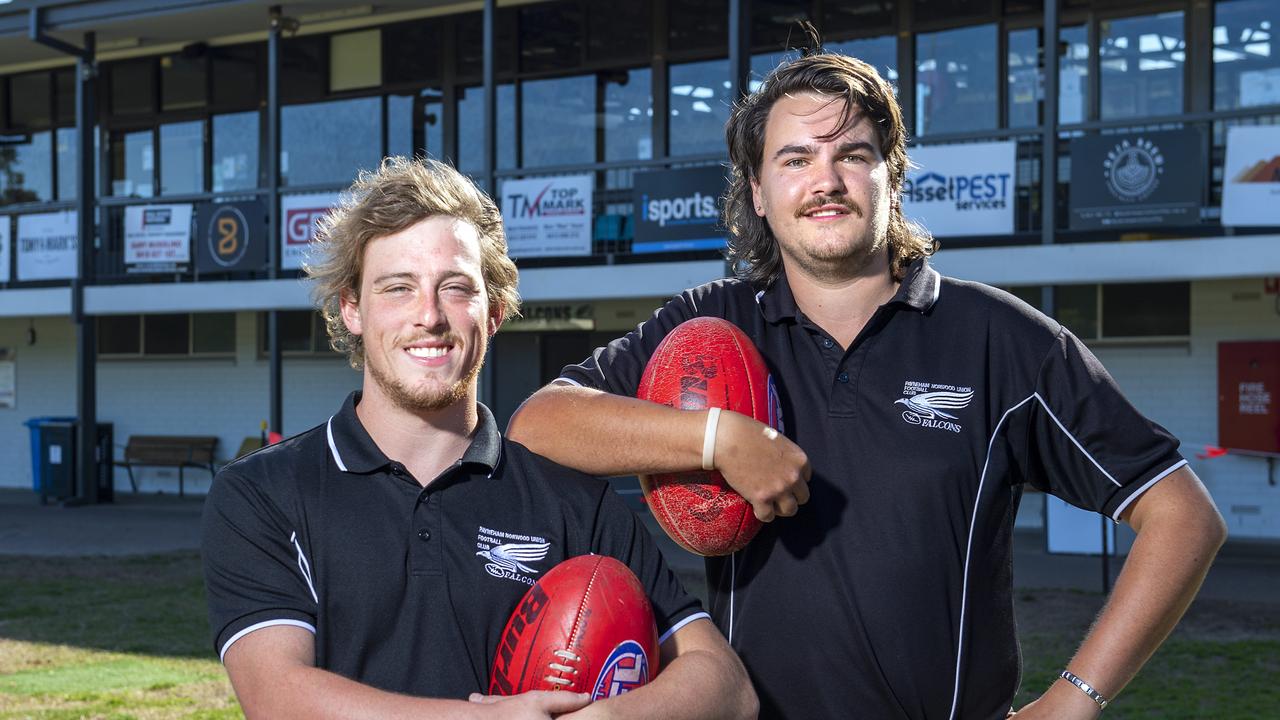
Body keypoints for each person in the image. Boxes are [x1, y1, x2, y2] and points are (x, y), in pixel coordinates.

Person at [507, 48, 1227, 719]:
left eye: (852, 154)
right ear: (758, 192)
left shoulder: (996, 338)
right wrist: (715, 435)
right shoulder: (710, 324)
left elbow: (1183, 515)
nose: (825, 181)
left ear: (892, 175)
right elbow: (540, 422)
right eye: (795, 159)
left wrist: (1075, 698)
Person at [200, 157, 757, 720]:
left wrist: (611, 717)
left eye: (455, 288)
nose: (429, 316)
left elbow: (728, 686)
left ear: (492, 312)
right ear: (352, 310)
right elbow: (277, 698)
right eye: (398, 288)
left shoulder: (573, 502)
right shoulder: (262, 493)